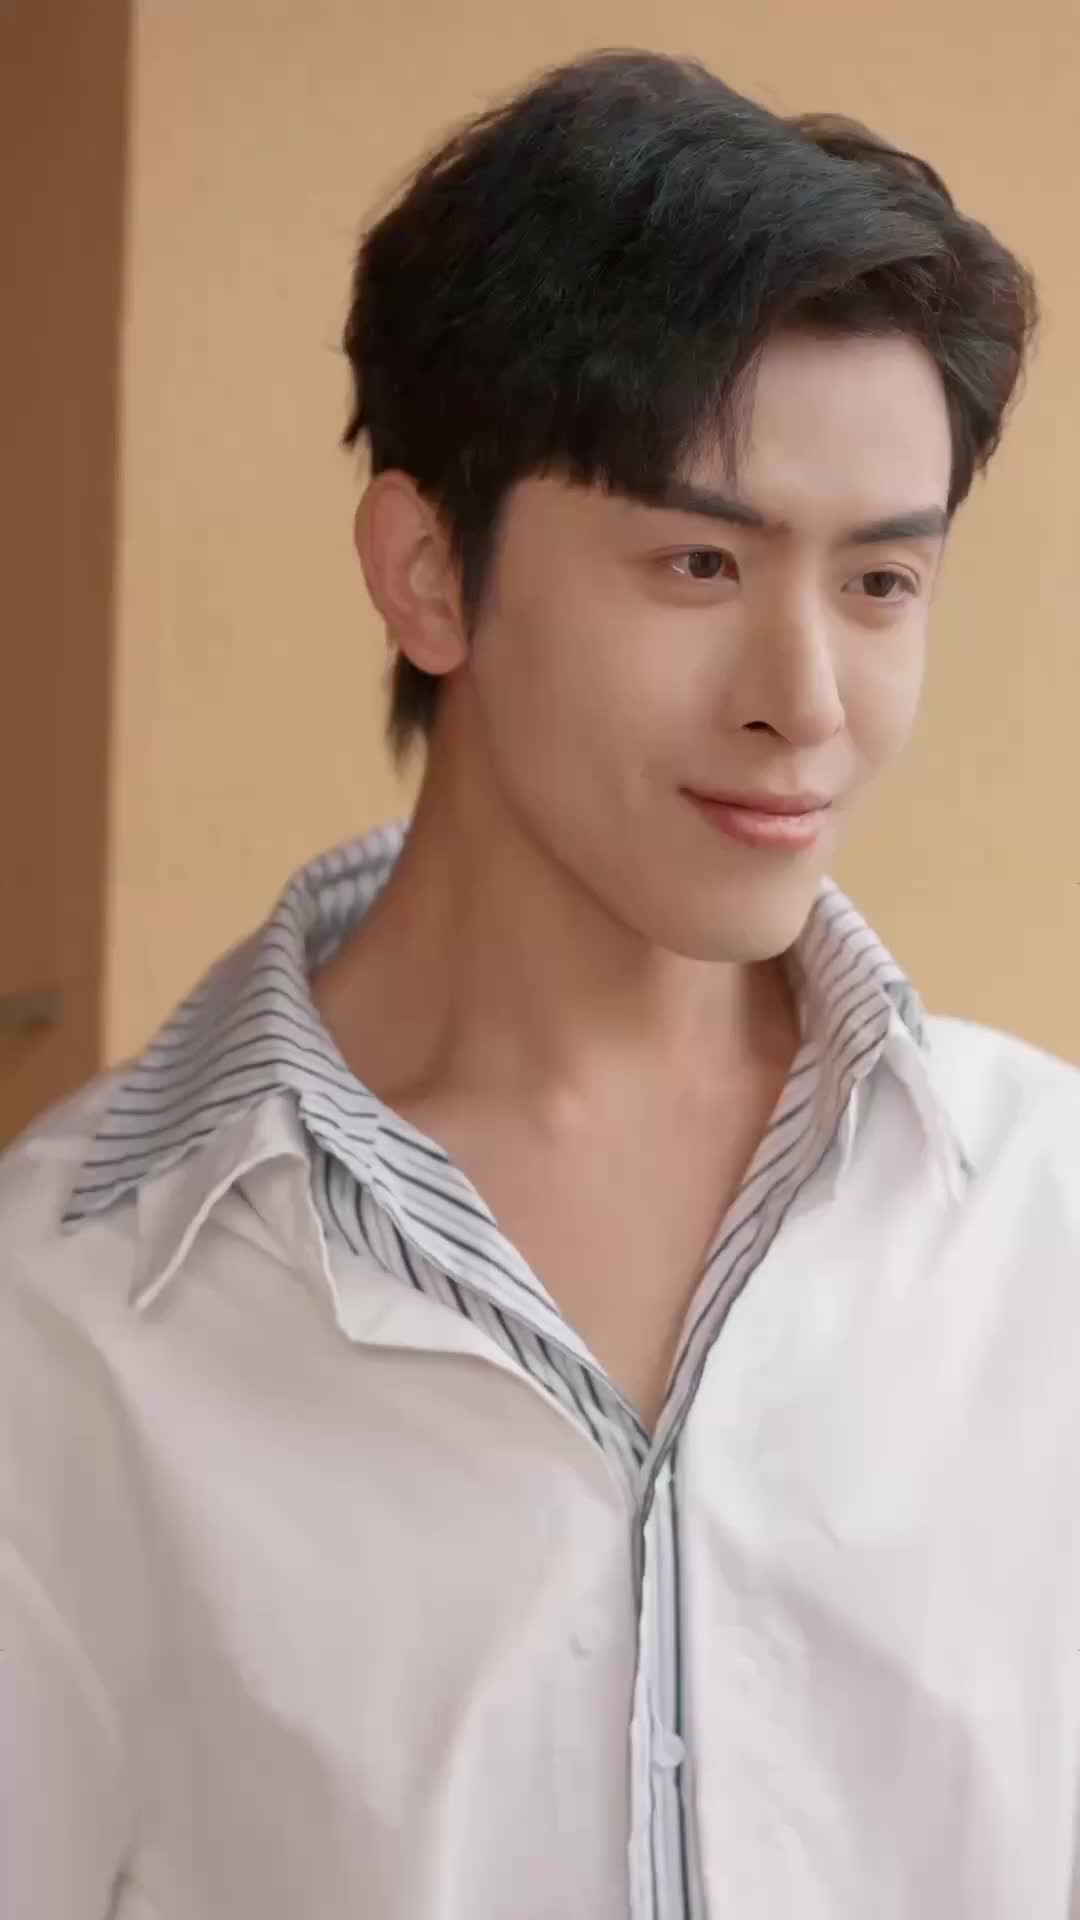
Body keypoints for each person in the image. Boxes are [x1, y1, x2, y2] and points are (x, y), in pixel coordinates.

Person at [2, 44, 1075, 1920]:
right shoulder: (67, 1319)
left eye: (880, 585)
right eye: (699, 561)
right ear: (429, 573)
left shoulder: (1045, 1232)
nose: (806, 702)